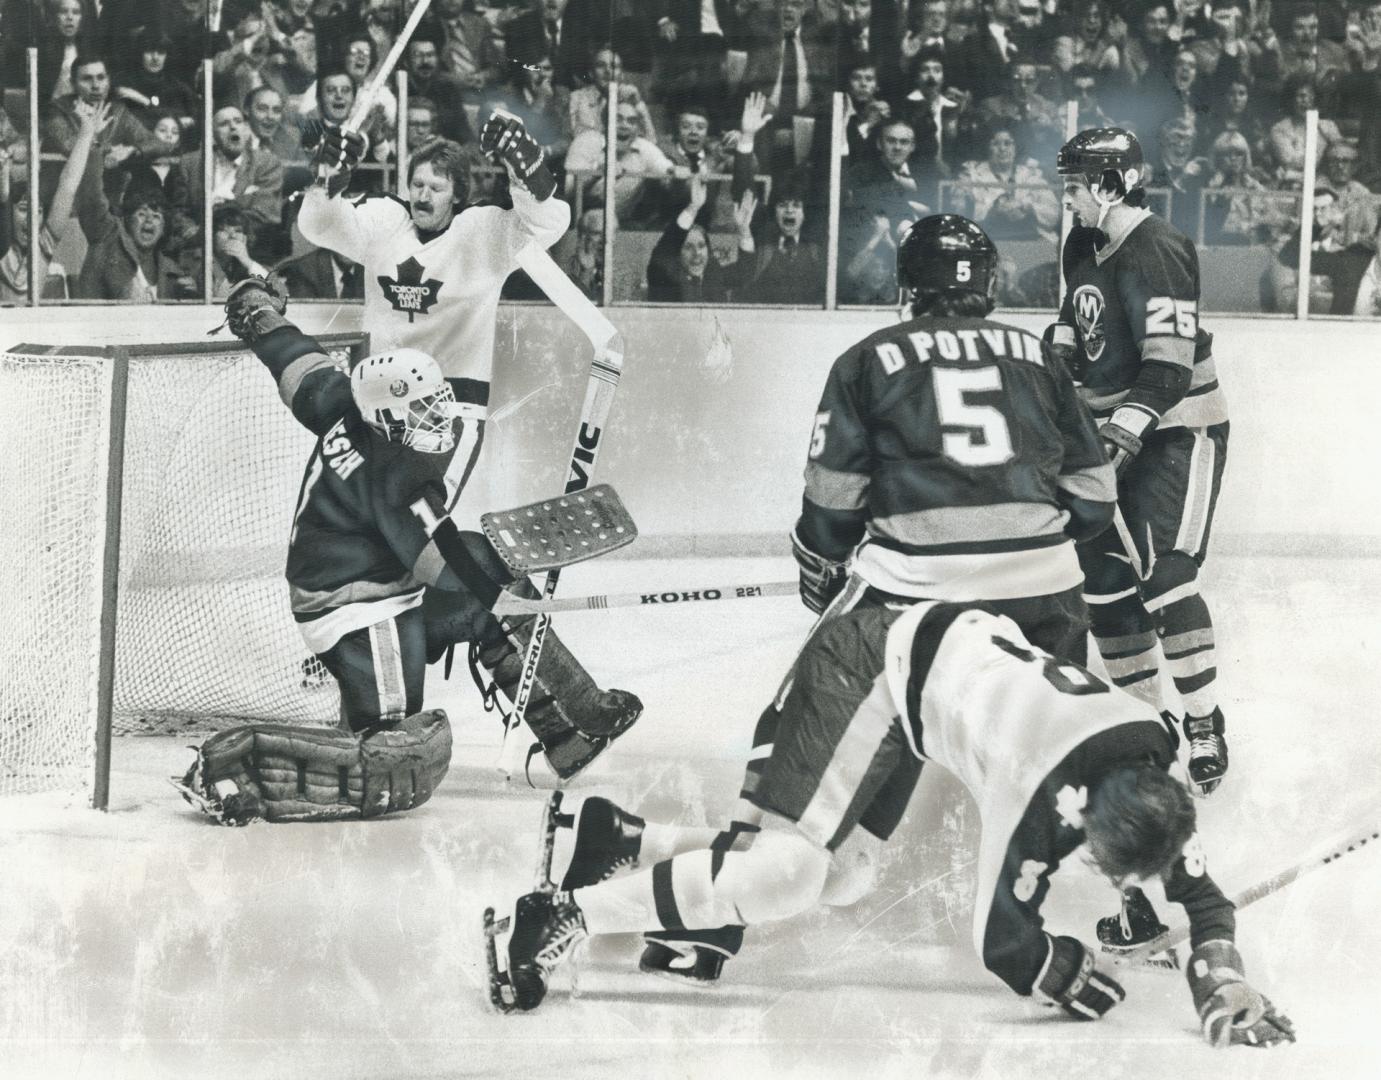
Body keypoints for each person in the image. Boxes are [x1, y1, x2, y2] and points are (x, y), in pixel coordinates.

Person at [605, 214, 1115, 983]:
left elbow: (832, 503)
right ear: (989, 286)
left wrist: (826, 561)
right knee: (999, 779)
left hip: (911, 599)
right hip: (1048, 605)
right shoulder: (1040, 357)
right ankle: (1035, 923)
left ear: (906, 288)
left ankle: (702, 927)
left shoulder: (866, 359)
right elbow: (1092, 497)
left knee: (798, 719)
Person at [488, 600, 1294, 1053]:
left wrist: (1220, 978)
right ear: (1077, 819)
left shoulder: (1148, 760)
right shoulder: (1038, 785)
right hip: (868, 667)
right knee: (789, 872)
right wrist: (1062, 970)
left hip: (926, 677)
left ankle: (625, 844)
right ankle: (557, 916)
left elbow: (1196, 894)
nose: (1117, 882)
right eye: (1104, 864)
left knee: (847, 878)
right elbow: (1002, 942)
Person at [296, 110, 633, 778]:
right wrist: (326, 178)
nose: (422, 194)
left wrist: (530, 174)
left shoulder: (483, 232)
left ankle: (382, 654)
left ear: (457, 193)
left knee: (415, 542)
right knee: (406, 545)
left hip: (448, 419)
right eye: (415, 182)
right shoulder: (384, 223)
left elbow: (547, 222)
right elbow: (319, 225)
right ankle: (386, 648)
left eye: (435, 186)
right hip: (373, 413)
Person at [1049, 127, 1231, 797]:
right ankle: (1145, 730)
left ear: (1106, 184)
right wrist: (1054, 366)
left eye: (1073, 186)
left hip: (1175, 434)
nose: (1066, 200)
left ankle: (1203, 722)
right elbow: (1074, 323)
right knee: (1105, 595)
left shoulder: (1158, 250)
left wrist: (1117, 440)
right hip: (1110, 438)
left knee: (1165, 578)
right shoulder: (1081, 243)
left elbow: (1167, 371)